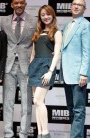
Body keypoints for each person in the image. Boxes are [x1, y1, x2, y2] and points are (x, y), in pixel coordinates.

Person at [0, 0, 37, 137]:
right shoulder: (4, 21)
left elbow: (37, 42)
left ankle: (23, 134)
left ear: (25, 4)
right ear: (11, 5)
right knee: (7, 102)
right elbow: (2, 43)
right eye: (16, 3)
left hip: (26, 66)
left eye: (22, 2)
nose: (19, 5)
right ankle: (8, 133)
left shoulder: (34, 21)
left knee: (26, 103)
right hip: (8, 66)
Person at [59, 0, 90, 138]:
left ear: (84, 9)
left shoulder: (86, 25)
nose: (76, 6)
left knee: (78, 110)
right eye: (74, 4)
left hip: (79, 75)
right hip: (67, 73)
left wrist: (84, 73)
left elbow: (88, 51)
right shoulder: (68, 24)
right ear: (70, 6)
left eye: (80, 5)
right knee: (71, 109)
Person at [28, 5, 62, 138]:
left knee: (38, 100)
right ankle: (40, 133)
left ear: (52, 15)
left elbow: (57, 54)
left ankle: (46, 133)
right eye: (43, 15)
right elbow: (33, 53)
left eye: (48, 14)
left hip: (47, 67)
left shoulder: (57, 32)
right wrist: (30, 70)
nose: (45, 17)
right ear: (40, 17)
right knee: (37, 103)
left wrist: (50, 71)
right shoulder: (37, 33)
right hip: (35, 66)